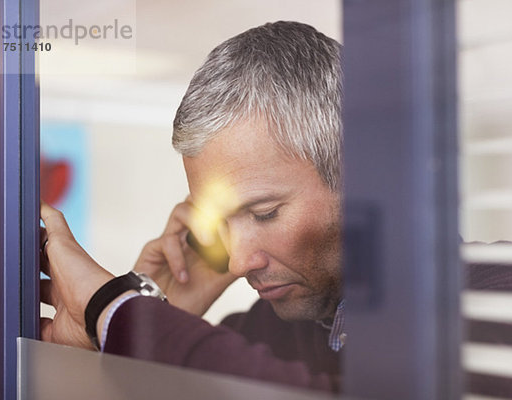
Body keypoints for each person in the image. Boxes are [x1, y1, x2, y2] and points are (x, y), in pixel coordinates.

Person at [40, 21, 344, 392]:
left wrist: (115, 309)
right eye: (219, 224)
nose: (237, 262)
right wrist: (165, 313)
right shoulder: (266, 334)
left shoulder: (429, 324)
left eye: (265, 213)